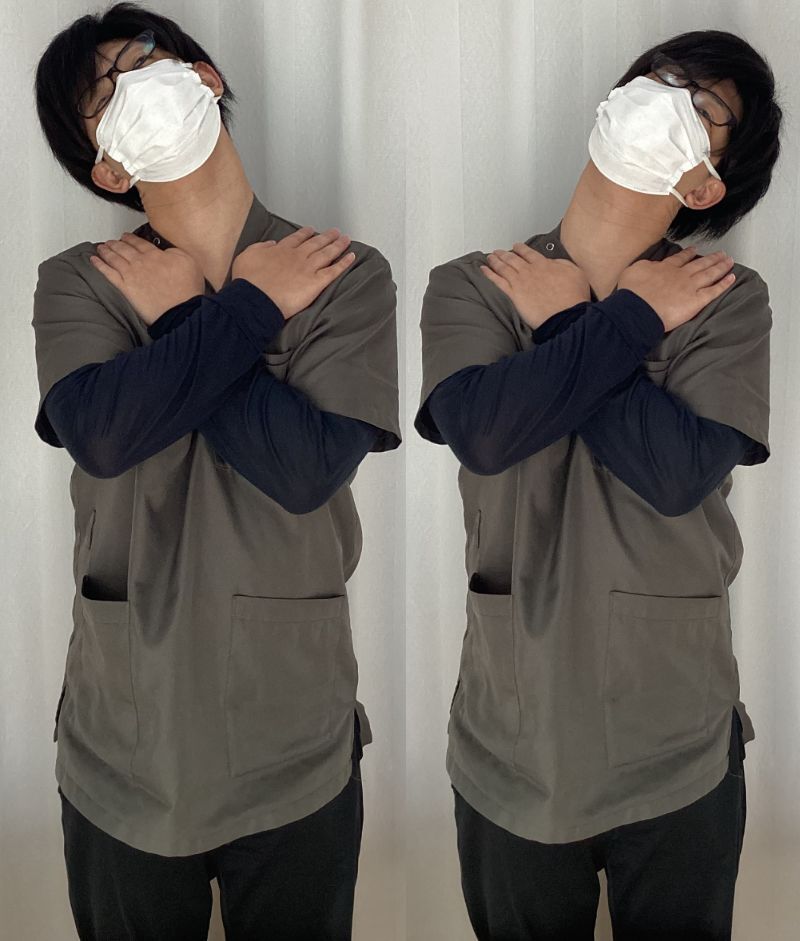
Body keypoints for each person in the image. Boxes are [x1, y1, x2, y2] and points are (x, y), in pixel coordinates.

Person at [32, 3, 400, 937]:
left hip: (295, 736)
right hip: (125, 740)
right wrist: (245, 311)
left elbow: (306, 469)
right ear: (107, 167)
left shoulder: (341, 272)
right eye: (103, 96)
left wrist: (188, 313)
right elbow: (103, 435)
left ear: (205, 77)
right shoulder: (80, 280)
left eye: (142, 61)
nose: (133, 86)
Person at [415, 28, 781, 941]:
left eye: (702, 105)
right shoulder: (473, 286)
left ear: (704, 185)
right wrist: (623, 327)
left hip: (677, 736)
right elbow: (485, 434)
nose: (664, 96)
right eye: (658, 78)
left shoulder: (723, 297)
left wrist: (571, 323)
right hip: (512, 738)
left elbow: (676, 472)